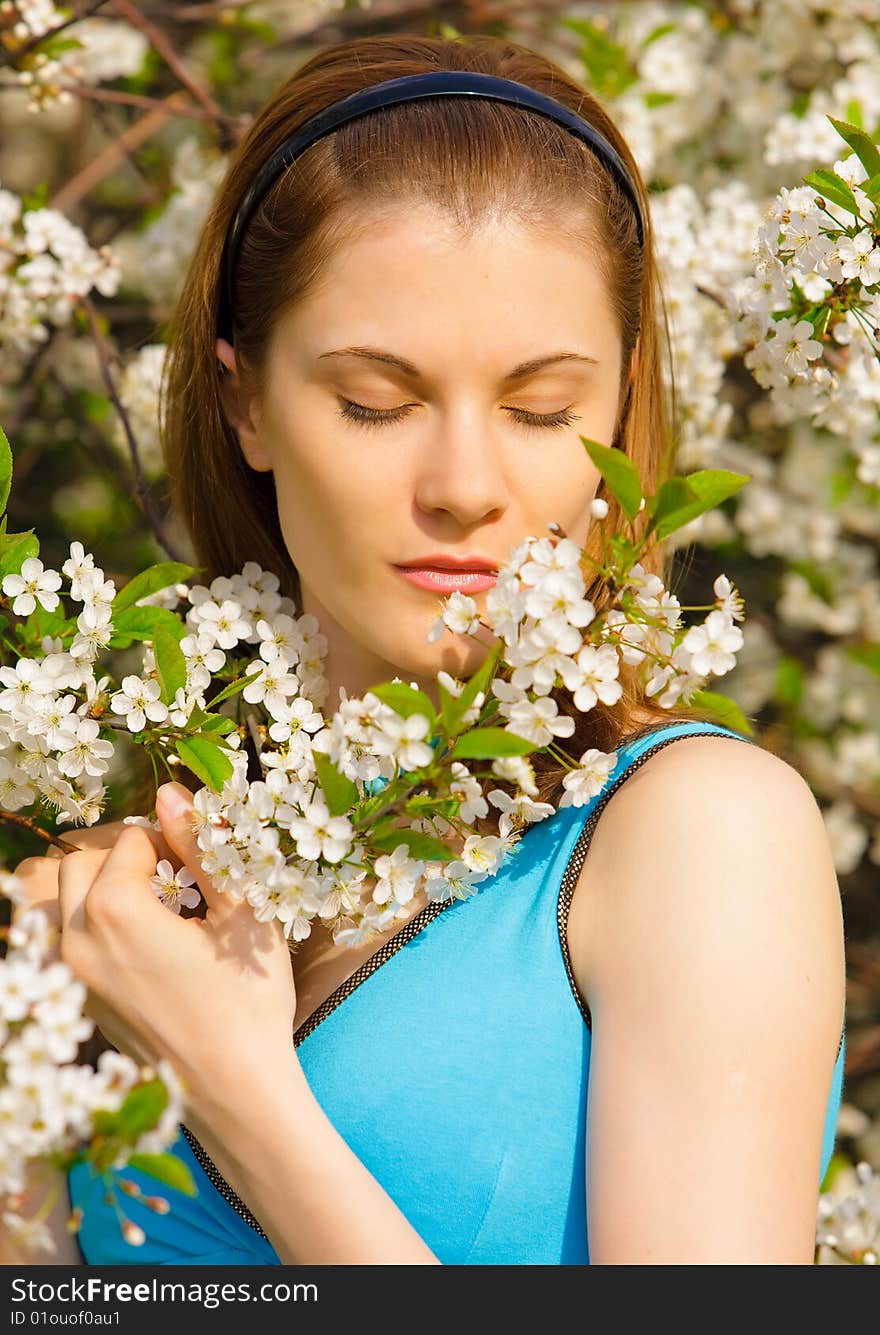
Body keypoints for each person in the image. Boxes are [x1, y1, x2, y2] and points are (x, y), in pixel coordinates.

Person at [4, 33, 845, 1266]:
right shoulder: (161, 883)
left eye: (541, 411)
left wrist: (236, 1091)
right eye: (375, 403)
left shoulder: (695, 833)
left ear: (619, 412)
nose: (464, 486)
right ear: (245, 404)